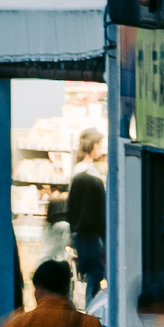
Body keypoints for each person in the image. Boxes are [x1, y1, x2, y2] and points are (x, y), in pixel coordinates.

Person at [65, 132, 107, 308]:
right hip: (93, 234)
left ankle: (85, 308)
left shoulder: (76, 174)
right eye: (100, 144)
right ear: (94, 146)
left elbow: (71, 207)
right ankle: (92, 310)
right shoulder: (94, 178)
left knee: (85, 274)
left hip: (80, 233)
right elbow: (101, 210)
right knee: (95, 276)